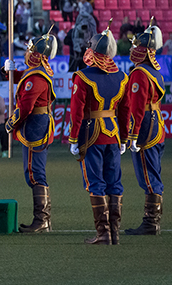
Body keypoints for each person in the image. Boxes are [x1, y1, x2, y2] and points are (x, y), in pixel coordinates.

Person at [68, 23, 130, 245]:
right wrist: (124, 137)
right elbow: (125, 111)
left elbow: (77, 111)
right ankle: (114, 233)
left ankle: (103, 233)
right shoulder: (122, 77)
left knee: (96, 182)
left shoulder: (83, 77)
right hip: (112, 133)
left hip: (91, 133)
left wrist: (74, 138)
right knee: (114, 182)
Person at [4, 30, 58, 233]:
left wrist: (12, 122)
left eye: (29, 50)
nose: (27, 53)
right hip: (38, 122)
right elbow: (24, 77)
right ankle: (43, 219)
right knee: (34, 171)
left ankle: (42, 219)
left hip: (34, 123)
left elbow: (26, 106)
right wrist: (9, 73)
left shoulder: (36, 77)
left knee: (35, 172)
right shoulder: (36, 72)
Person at [123, 22, 165, 236]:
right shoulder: (155, 70)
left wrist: (132, 135)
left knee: (148, 174)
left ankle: (151, 222)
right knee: (153, 170)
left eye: (137, 46)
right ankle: (152, 220)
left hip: (146, 124)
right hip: (157, 121)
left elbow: (137, 108)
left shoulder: (139, 73)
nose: (133, 49)